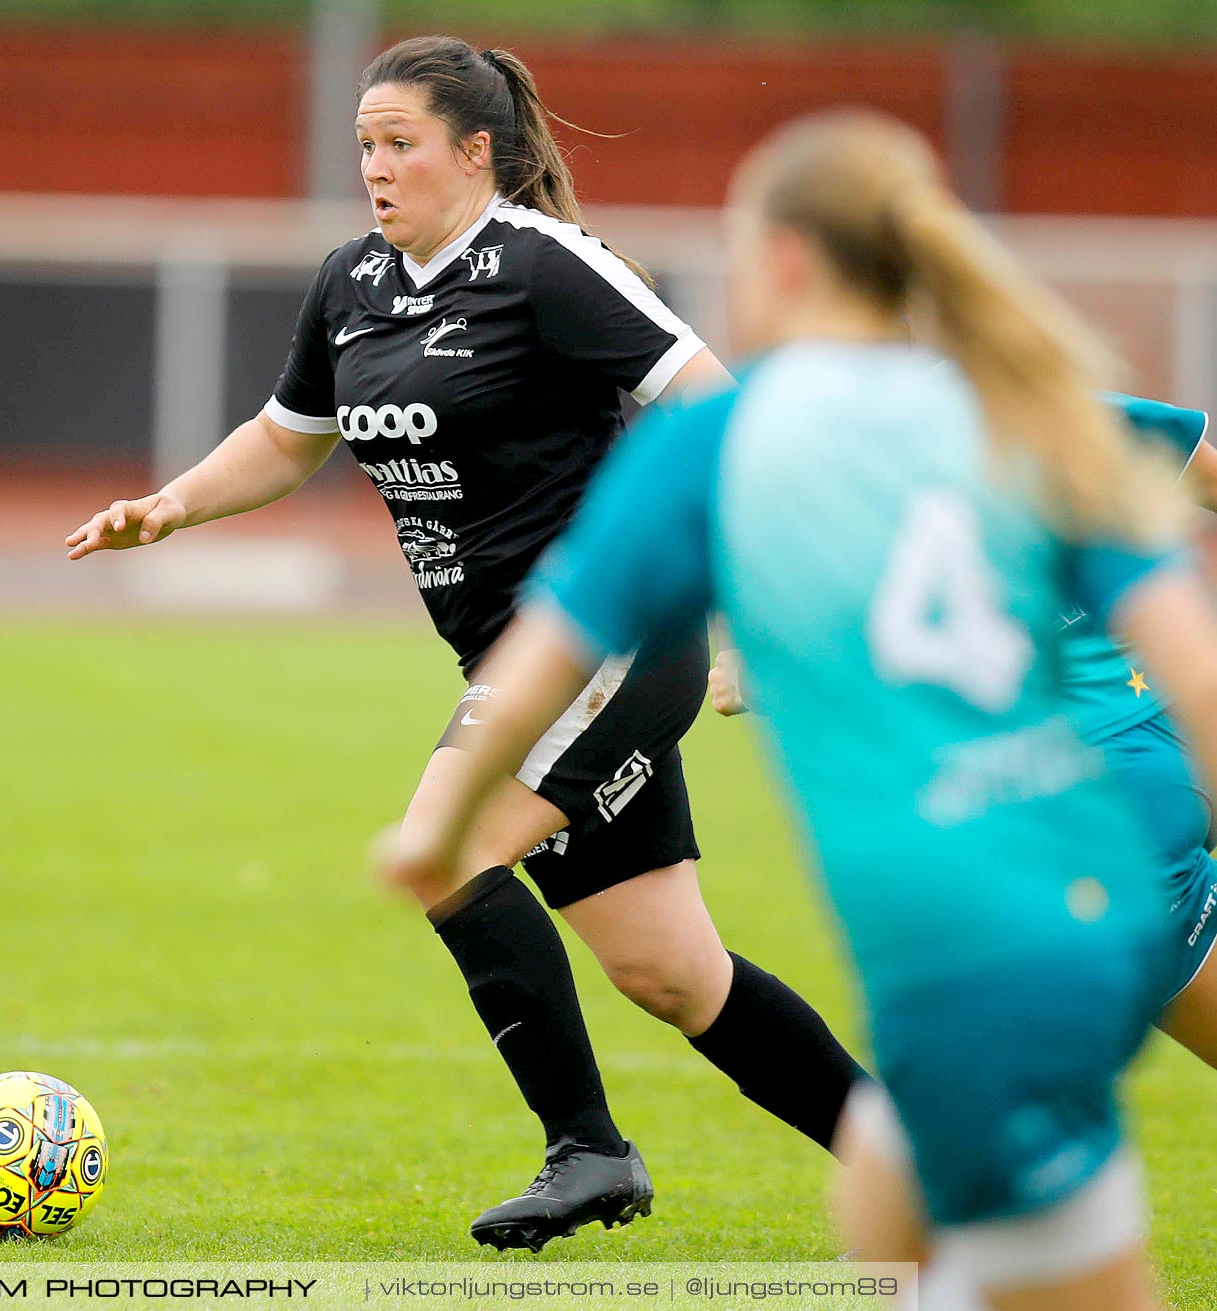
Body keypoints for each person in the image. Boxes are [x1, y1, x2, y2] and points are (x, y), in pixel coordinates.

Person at [380, 108, 1217, 1310]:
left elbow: (547, 655)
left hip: (976, 932)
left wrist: (436, 828)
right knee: (901, 1207)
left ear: (780, 262)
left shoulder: (719, 443)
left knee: (979, 1247)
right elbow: (1198, 674)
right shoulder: (1027, 408)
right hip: (1094, 869)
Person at [67, 35, 865, 1251]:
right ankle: (924, 1163)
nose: (375, 170)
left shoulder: (546, 267)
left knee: (445, 845)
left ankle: (588, 1152)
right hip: (509, 659)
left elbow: (722, 412)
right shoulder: (353, 283)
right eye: (365, 148)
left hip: (612, 634)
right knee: (672, 975)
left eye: (401, 145)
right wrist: (169, 505)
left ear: (476, 152)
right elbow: (291, 439)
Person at [709, 392, 1217, 1076]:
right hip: (1166, 735)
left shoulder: (852, 477)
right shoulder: (1051, 401)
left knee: (986, 1087)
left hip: (1096, 790)